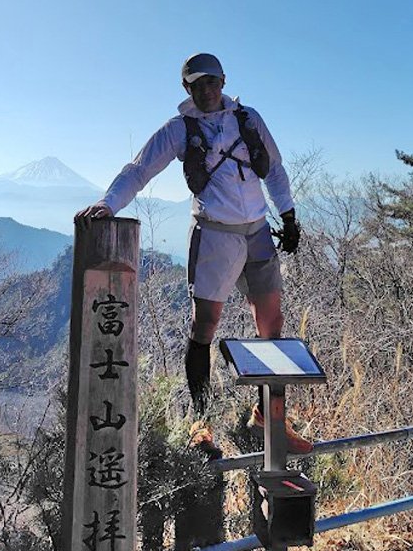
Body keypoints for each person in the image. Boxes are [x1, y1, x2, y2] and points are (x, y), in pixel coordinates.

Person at [75, 52, 312, 458]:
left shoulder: (248, 118)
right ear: (187, 88)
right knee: (205, 326)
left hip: (257, 231)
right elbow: (140, 169)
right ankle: (200, 424)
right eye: (197, 84)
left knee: (271, 325)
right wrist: (109, 204)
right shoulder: (179, 129)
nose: (206, 90)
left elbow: (273, 168)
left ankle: (267, 417)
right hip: (215, 234)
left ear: (223, 81)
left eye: (212, 81)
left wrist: (288, 215)